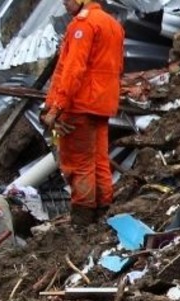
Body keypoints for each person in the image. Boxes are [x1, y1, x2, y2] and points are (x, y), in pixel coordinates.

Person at [41, 0, 125, 225]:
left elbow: (70, 69)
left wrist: (56, 107)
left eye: (67, 0)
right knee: (98, 159)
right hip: (102, 104)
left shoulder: (83, 25)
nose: (64, 5)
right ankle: (103, 210)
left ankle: (82, 218)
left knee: (78, 163)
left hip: (80, 103)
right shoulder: (112, 24)